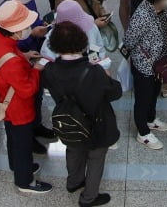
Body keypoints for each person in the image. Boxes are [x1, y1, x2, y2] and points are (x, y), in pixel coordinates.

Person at [40, 22, 121, 207]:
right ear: (82, 42)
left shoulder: (50, 71)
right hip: (97, 123)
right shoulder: (94, 71)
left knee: (74, 150)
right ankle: (89, 197)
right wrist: (106, 73)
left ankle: (73, 182)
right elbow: (115, 93)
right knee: (96, 157)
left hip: (70, 122)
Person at [0, 0, 53, 194]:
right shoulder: (12, 63)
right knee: (23, 143)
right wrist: (37, 70)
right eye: (24, 26)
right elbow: (28, 90)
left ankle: (16, 166)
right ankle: (25, 181)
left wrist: (24, 55)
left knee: (13, 137)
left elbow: (7, 55)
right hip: (18, 106)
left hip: (3, 98)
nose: (27, 28)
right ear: (15, 30)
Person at [124, 0, 167, 151]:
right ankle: (143, 131)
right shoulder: (142, 16)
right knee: (143, 98)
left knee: (154, 92)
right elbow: (129, 41)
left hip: (160, 62)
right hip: (144, 65)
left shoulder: (166, 10)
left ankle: (151, 119)